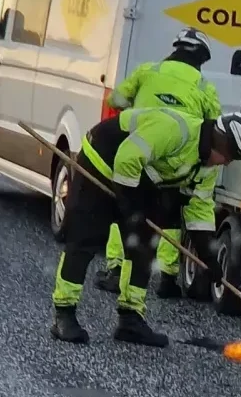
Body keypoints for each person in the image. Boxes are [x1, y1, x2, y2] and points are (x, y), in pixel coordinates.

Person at [50, 108, 241, 347]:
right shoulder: (175, 131)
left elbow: (198, 208)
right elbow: (126, 158)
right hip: (102, 163)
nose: (228, 163)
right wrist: (130, 207)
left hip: (138, 178)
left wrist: (208, 256)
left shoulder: (208, 166)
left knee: (144, 246)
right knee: (85, 239)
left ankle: (131, 319)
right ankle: (63, 314)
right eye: (229, 157)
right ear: (220, 142)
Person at [93, 27, 223, 299]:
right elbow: (215, 125)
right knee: (170, 214)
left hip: (139, 153)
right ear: (201, 58)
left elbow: (115, 99)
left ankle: (117, 270)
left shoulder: (147, 71)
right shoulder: (205, 87)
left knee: (125, 209)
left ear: (175, 49)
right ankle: (166, 275)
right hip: (178, 159)